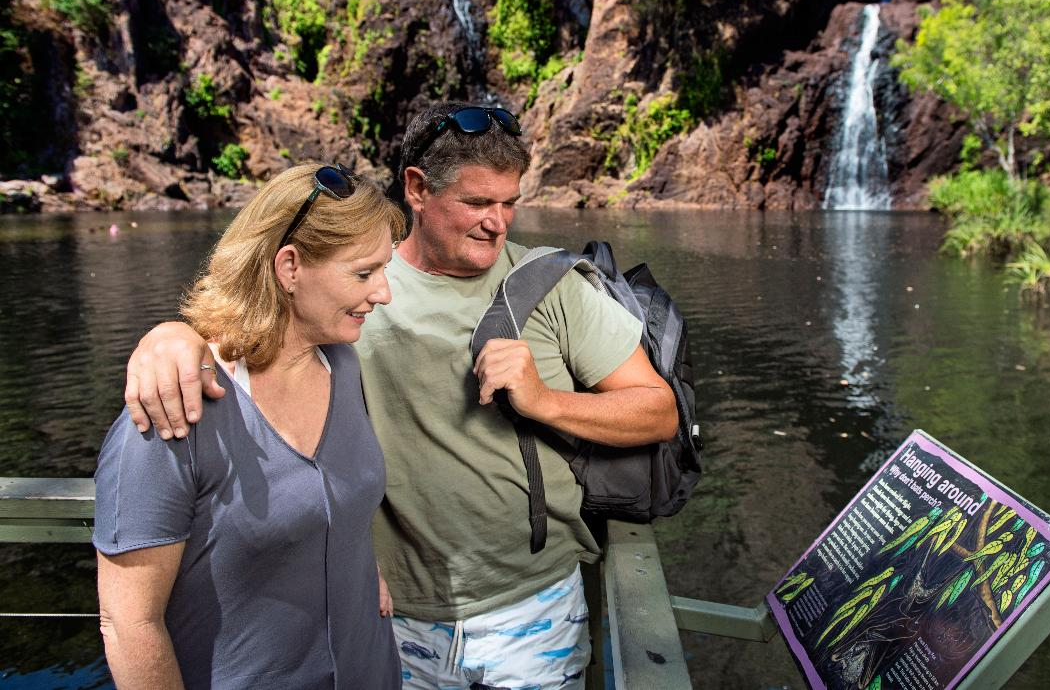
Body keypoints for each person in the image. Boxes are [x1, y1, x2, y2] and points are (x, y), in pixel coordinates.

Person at [121, 102, 678, 689]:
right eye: (476, 203)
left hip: (532, 609)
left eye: (509, 202)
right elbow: (255, 336)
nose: (498, 222)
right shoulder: (353, 289)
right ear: (416, 187)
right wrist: (172, 336)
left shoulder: (553, 286)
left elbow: (658, 410)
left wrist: (545, 400)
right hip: (386, 613)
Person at [95, 163, 405, 690]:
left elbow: (325, 496)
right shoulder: (174, 410)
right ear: (289, 267)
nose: (384, 293)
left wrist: (349, 556)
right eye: (363, 273)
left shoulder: (342, 365)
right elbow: (130, 625)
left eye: (384, 271)